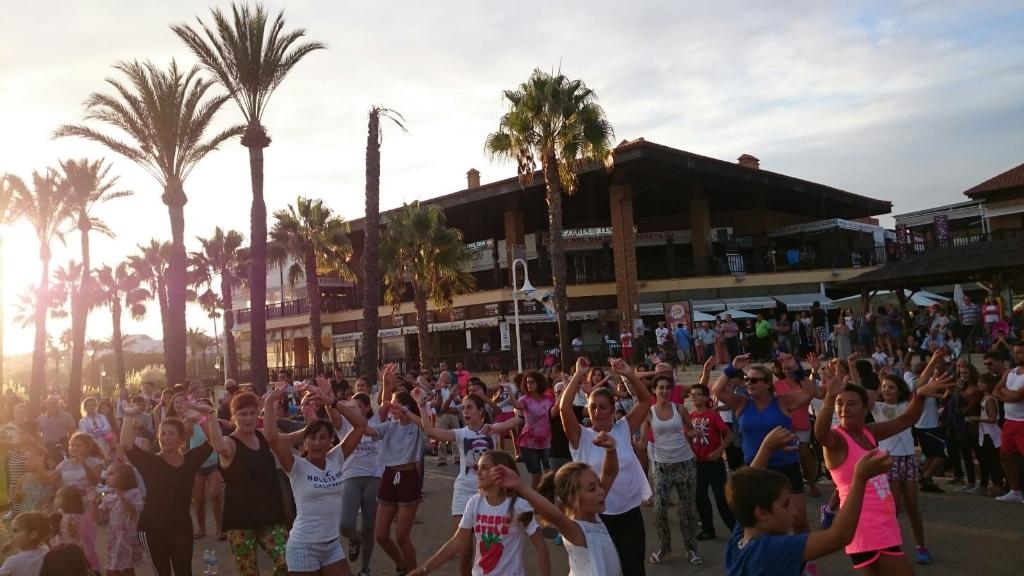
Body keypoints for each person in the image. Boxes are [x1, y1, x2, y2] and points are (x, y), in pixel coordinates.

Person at [815, 362, 954, 574]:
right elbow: (821, 434)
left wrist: (920, 396)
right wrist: (829, 397)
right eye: (840, 403)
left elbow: (907, 419)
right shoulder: (837, 439)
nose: (844, 408)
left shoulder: (868, 432)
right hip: (865, 525)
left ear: (864, 408)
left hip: (883, 524)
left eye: (851, 403)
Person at [725, 426, 892, 576]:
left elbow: (745, 488)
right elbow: (839, 536)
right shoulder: (769, 550)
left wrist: (767, 447)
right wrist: (860, 479)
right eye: (785, 505)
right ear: (761, 513)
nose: (793, 511)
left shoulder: (740, 539)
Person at [560, 356, 652, 576]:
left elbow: (646, 401)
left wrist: (628, 373)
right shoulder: (580, 437)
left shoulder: (623, 429)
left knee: (634, 569)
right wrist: (579, 374)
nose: (597, 412)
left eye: (603, 407)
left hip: (629, 513)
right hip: (596, 517)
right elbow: (564, 409)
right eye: (592, 407)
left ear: (612, 409)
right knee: (602, 571)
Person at [263, 382, 367, 576]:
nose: (317, 443)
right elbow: (271, 437)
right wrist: (270, 401)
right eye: (312, 438)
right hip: (303, 546)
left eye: (322, 438)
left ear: (330, 441)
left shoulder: (337, 457)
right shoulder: (296, 466)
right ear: (305, 441)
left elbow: (361, 425)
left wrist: (332, 402)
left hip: (332, 545)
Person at [413, 386, 519, 576]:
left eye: (469, 407)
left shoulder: (492, 429)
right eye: (463, 408)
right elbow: (430, 430)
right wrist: (421, 405)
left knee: (488, 544)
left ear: (480, 411)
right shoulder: (460, 433)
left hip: (490, 491)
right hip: (463, 489)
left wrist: (494, 425)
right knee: (464, 548)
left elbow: (518, 419)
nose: (465, 411)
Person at [712, 353, 814, 536]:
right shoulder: (742, 402)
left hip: (785, 466)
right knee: (762, 521)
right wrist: (732, 367)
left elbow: (809, 392)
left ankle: (805, 560)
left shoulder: (782, 401)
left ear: (768, 384)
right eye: (747, 379)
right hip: (756, 468)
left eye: (754, 380)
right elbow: (717, 390)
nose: (749, 383)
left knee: (798, 519)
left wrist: (795, 368)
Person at [493, 432, 622, 576]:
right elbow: (556, 517)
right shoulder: (577, 530)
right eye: (592, 488)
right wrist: (521, 486)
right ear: (573, 498)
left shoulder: (593, 516)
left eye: (598, 485)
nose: (601, 491)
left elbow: (609, 473)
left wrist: (611, 450)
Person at [408, 450, 550, 576]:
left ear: (501, 472)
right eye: (477, 468)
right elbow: (456, 542)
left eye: (484, 468)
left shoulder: (519, 506)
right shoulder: (475, 503)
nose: (477, 472)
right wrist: (425, 569)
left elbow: (541, 547)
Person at [121, 399, 220, 576]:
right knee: (163, 573)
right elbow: (127, 444)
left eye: (171, 434)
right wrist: (128, 416)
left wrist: (202, 420)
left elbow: (214, 442)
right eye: (162, 434)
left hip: (181, 527)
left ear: (182, 438)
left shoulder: (190, 461)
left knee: (184, 572)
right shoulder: (150, 462)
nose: (165, 438)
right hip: (151, 528)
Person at [208, 391, 289, 576]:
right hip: (240, 521)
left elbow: (283, 437)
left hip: (270, 516)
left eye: (252, 413)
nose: (248, 418)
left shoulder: (262, 436)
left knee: (287, 561)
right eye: (243, 414)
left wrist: (270, 401)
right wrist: (211, 416)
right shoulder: (229, 442)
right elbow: (219, 446)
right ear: (234, 416)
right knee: (249, 571)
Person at [365, 364, 425, 575]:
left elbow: (429, 426)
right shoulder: (389, 426)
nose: (393, 409)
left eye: (397, 405)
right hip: (389, 476)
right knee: (381, 535)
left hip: (408, 476)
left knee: (401, 535)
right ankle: (401, 565)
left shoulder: (417, 427)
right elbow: (369, 428)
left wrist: (408, 409)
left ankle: (414, 571)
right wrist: (336, 405)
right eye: (392, 405)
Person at [870, 373, 931, 564]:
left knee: (913, 506)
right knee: (893, 508)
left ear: (900, 390)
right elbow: (858, 389)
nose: (886, 389)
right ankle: (890, 546)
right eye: (884, 386)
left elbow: (920, 386)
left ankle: (921, 546)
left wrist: (935, 360)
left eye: (891, 387)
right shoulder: (877, 407)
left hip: (908, 459)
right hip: (888, 460)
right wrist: (853, 366)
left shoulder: (907, 406)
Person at [643, 374, 700, 565]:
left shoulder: (680, 409)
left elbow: (689, 430)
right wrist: (635, 443)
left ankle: (691, 549)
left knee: (687, 509)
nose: (665, 391)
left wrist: (694, 432)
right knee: (659, 510)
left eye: (668, 387)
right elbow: (643, 441)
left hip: (685, 462)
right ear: (654, 390)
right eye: (661, 387)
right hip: (662, 465)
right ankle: (664, 547)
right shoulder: (649, 412)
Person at [339, 393, 383, 576]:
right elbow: (331, 411)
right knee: (345, 524)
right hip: (351, 476)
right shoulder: (345, 422)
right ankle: (354, 539)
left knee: (369, 526)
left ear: (366, 407)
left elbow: (386, 396)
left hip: (375, 477)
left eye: (357, 406)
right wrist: (327, 396)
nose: (353, 409)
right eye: (351, 406)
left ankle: (365, 569)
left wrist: (386, 382)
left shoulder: (377, 419)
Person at [687, 383, 736, 540]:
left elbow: (729, 435)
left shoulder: (713, 415)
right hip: (697, 464)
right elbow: (687, 437)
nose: (693, 396)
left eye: (697, 394)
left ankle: (736, 530)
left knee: (721, 498)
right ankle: (708, 529)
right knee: (700, 497)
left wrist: (719, 451)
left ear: (706, 397)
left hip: (714, 463)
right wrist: (690, 452)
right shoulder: (691, 417)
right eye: (691, 394)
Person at [97, 462, 144, 576]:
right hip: (114, 539)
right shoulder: (109, 497)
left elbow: (134, 511)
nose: (107, 477)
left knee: (123, 569)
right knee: (115, 568)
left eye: (111, 474)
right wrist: (94, 502)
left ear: (123, 477)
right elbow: (99, 519)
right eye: (107, 474)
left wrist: (121, 496)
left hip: (128, 539)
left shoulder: (133, 493)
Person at [511, 370, 555, 489]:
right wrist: (509, 391)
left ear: (539, 382)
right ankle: (534, 502)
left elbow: (557, 409)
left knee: (549, 474)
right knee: (536, 475)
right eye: (527, 382)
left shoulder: (549, 399)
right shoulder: (525, 399)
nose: (529, 384)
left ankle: (548, 500)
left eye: (532, 382)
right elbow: (516, 405)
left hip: (547, 442)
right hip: (528, 443)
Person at [992, 341, 1024, 503]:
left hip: (1023, 422)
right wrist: (1009, 395)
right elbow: (995, 391)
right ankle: (1015, 491)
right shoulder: (1009, 372)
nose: (1016, 355)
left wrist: (1005, 393)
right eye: (1015, 352)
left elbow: (1016, 397)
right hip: (1009, 422)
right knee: (1005, 455)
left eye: (1020, 352)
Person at [970, 374, 1005, 496]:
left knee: (993, 460)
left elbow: (993, 419)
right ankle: (996, 484)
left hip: (992, 434)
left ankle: (998, 485)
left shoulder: (990, 399)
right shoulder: (984, 397)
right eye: (979, 382)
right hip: (985, 433)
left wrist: (977, 419)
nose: (980, 384)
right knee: (988, 460)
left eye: (983, 382)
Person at [0, 511, 51, 576]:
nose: (11, 535)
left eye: (16, 531)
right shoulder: (46, 549)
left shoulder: (12, 562)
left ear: (32, 535)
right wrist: (11, 543)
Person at [36, 396, 75, 464]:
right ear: (46, 404)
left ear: (58, 403)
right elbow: (37, 435)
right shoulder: (40, 419)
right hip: (47, 450)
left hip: (63, 449)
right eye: (49, 403)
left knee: (63, 470)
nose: (52, 405)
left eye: (54, 403)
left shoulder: (67, 416)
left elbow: (73, 434)